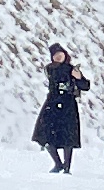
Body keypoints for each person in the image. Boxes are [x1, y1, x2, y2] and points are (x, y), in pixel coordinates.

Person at [35, 44, 89, 173]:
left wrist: (79, 78)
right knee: (45, 134)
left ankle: (67, 166)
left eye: (61, 54)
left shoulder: (72, 69)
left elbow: (85, 85)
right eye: (55, 55)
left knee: (67, 136)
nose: (59, 57)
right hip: (52, 104)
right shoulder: (50, 69)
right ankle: (58, 163)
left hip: (68, 105)